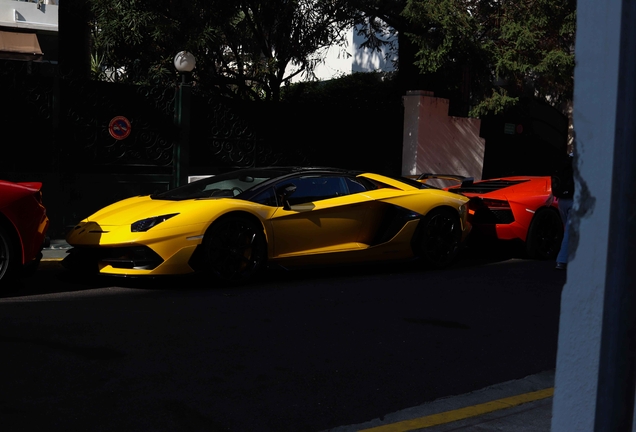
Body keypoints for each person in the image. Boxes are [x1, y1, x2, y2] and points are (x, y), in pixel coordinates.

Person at [552, 153, 575, 270]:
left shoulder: (565, 160)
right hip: (575, 200)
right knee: (570, 232)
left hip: (561, 200)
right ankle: (562, 260)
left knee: (568, 229)